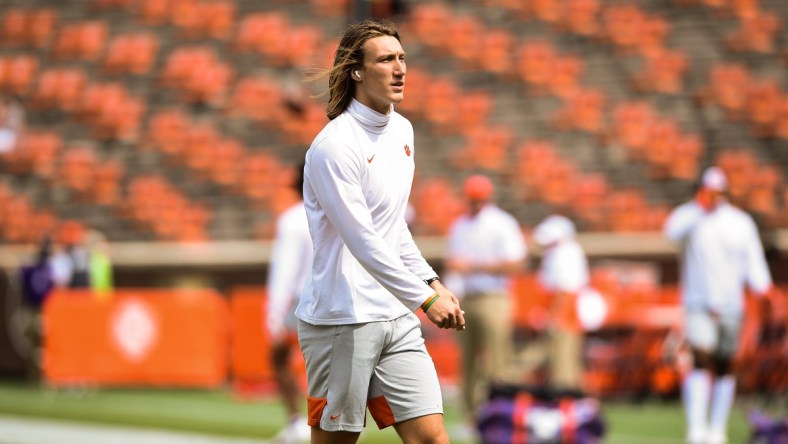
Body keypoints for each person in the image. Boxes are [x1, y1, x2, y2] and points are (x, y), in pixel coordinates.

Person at [297, 18, 465, 444]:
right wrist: (425, 299)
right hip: (343, 320)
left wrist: (431, 281)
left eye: (402, 58)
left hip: (395, 315)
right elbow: (362, 240)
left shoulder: (403, 130)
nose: (400, 68)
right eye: (386, 59)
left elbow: (392, 228)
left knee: (432, 437)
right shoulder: (334, 146)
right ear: (357, 71)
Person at [664, 166, 773, 444]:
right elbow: (671, 230)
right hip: (698, 302)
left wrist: (765, 290)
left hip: (730, 305)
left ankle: (716, 428)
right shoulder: (691, 216)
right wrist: (698, 208)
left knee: (725, 365)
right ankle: (696, 428)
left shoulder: (739, 222)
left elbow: (753, 261)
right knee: (700, 360)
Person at [443, 174, 527, 426]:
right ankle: (471, 416)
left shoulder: (502, 223)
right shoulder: (459, 225)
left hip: (494, 297)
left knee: (498, 359)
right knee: (467, 360)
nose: (475, 203)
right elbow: (453, 263)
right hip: (467, 296)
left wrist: (474, 267)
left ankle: (502, 413)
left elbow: (515, 263)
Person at [267, 164, 312, 444]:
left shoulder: (292, 219)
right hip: (335, 296)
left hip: (301, 299)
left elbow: (285, 269)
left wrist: (274, 311)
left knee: (279, 358)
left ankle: (298, 420)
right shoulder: (336, 211)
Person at [533, 214, 597, 392]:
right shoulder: (561, 252)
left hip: (566, 316)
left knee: (563, 366)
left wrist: (555, 317)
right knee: (564, 362)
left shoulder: (565, 253)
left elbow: (565, 290)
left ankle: (566, 403)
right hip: (564, 314)